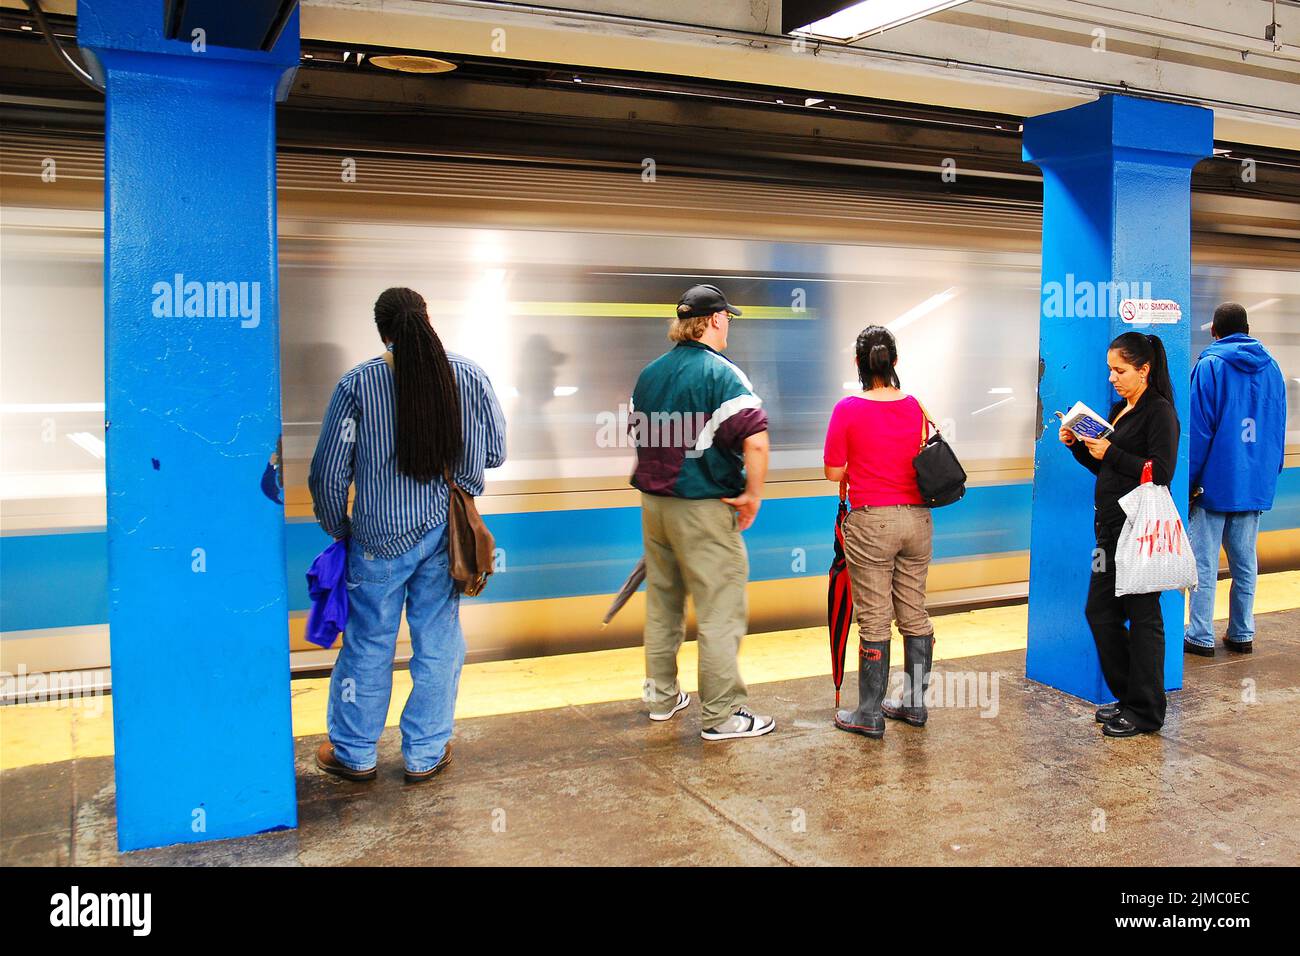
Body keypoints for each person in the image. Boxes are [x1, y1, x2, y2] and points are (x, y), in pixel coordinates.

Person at [309, 287, 506, 782]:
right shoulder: (469, 375)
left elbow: (328, 474)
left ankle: (354, 753)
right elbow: (496, 451)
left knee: (368, 644)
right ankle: (425, 752)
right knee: (438, 642)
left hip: (376, 540)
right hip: (445, 538)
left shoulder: (359, 383)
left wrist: (340, 528)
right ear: (427, 319)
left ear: (382, 330)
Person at [630, 283, 774, 740]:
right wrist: (752, 494)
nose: (728, 324)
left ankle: (661, 698)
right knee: (719, 608)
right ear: (714, 320)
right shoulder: (723, 374)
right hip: (703, 508)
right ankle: (722, 715)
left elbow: (640, 432)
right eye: (727, 317)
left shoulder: (649, 374)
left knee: (663, 603)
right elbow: (755, 439)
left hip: (654, 506)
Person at [1060, 331, 1179, 738]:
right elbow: (1110, 469)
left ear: (1144, 370)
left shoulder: (1158, 412)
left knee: (1144, 618)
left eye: (1120, 370)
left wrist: (1110, 452)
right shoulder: (1120, 409)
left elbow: (1160, 472)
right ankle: (1130, 697)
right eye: (1110, 369)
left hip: (1138, 532)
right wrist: (1080, 447)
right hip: (1109, 532)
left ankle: (1146, 710)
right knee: (1101, 612)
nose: (1112, 377)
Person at [823, 325, 936, 739]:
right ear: (895, 362)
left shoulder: (847, 410)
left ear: (858, 363)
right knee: (914, 612)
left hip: (872, 523)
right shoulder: (916, 407)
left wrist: (862, 465)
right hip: (918, 522)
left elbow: (834, 472)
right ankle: (914, 703)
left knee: (873, 617)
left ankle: (869, 712)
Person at [1184, 302, 1288, 656]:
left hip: (1213, 484)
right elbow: (1277, 427)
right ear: (1248, 328)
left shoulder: (1210, 366)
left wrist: (1188, 481)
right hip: (1252, 485)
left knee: (1204, 563)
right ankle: (1242, 631)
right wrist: (1268, 475)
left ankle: (1200, 635)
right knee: (1245, 562)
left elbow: (1198, 432)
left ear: (1214, 330)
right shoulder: (1272, 368)